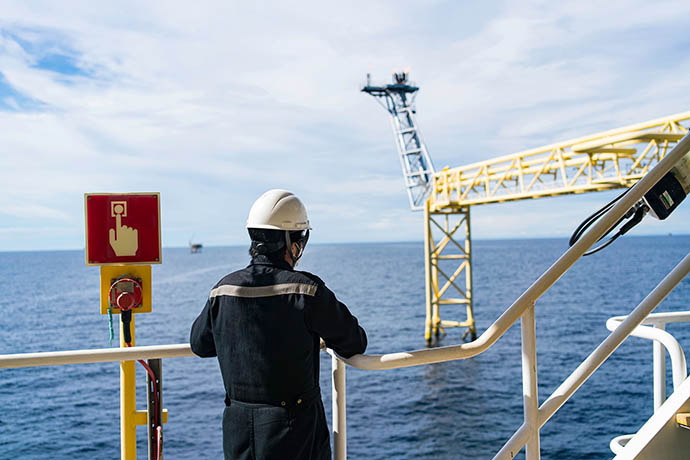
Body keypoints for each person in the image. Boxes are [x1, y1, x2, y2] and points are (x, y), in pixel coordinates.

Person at [190, 189, 367, 460]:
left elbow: (199, 344)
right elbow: (354, 341)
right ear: (292, 243)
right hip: (293, 432)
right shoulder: (306, 290)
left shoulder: (223, 290)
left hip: (238, 431)